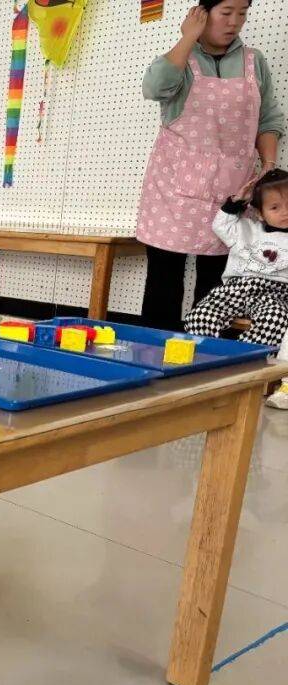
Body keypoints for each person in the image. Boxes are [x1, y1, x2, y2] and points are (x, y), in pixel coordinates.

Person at [136, 0, 283, 331]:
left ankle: (208, 358)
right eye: (226, 12)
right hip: (174, 191)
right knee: (163, 278)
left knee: (217, 284)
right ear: (203, 14)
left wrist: (269, 167)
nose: (235, 22)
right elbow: (154, 88)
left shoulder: (253, 62)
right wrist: (188, 37)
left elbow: (268, 118)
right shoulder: (182, 60)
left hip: (233, 189)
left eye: (242, 13)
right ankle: (152, 355)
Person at [184, 169, 288, 407]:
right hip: (236, 288)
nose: (285, 212)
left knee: (276, 318)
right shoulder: (247, 228)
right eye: (275, 207)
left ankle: (240, 363)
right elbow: (221, 224)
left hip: (276, 293)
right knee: (200, 316)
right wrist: (237, 201)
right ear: (259, 213)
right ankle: (209, 362)